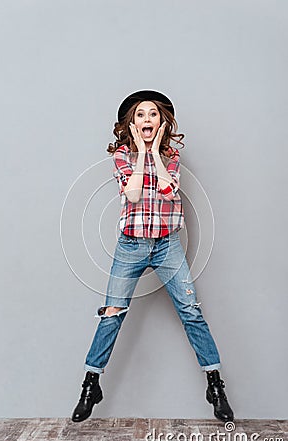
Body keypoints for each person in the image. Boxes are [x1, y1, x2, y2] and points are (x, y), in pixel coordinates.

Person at [71, 90, 234, 423]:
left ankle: (215, 385)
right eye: (140, 114)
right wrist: (141, 153)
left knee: (191, 312)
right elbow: (131, 193)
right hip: (130, 246)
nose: (147, 119)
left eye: (153, 115)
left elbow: (168, 189)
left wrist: (155, 152)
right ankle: (91, 384)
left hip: (167, 246)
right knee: (112, 314)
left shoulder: (172, 155)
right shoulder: (120, 155)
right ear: (132, 122)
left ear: (162, 122)